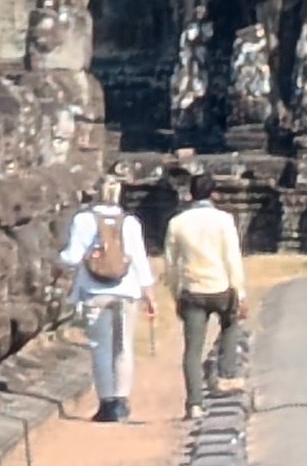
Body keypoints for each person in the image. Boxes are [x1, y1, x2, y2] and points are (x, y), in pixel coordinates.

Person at [63, 188, 153, 422]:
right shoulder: (130, 223)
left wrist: (59, 257)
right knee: (124, 346)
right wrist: (149, 294)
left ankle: (107, 403)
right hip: (127, 291)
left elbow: (72, 257)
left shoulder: (83, 220)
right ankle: (122, 401)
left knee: (100, 347)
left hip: (94, 291)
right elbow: (140, 261)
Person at [164, 179, 248, 411]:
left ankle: (194, 403)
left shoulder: (177, 223)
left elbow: (170, 264)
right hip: (220, 286)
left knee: (192, 349)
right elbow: (232, 257)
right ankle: (225, 372)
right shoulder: (224, 220)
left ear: (190, 194)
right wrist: (240, 292)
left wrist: (175, 293)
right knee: (230, 325)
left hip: (192, 288)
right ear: (214, 194)